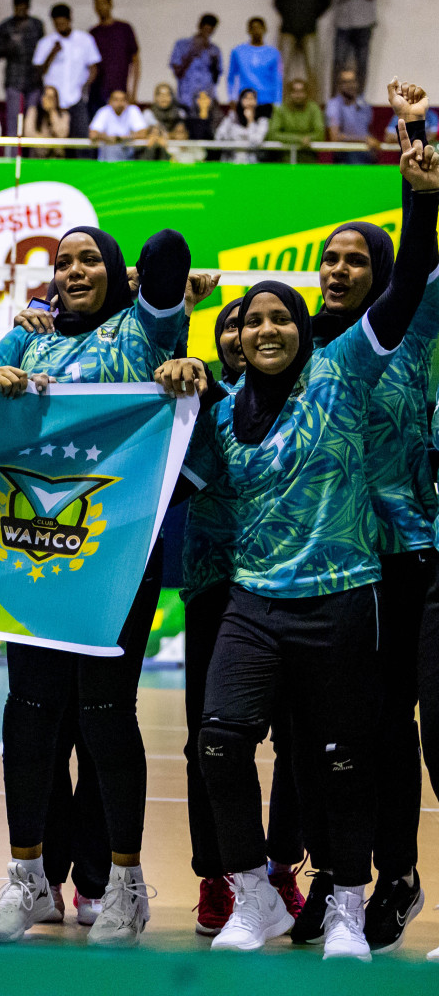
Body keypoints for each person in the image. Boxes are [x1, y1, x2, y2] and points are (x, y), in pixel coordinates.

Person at [166, 107, 439, 962]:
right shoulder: (220, 409)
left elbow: (407, 285)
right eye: (254, 321)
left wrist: (418, 194)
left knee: (353, 752)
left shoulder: (342, 372)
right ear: (239, 339)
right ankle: (258, 893)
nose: (269, 327)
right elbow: (151, 450)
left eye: (283, 315)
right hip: (254, 601)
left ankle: (358, 897)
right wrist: (174, 363)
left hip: (364, 586)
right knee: (223, 742)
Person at [0, 221, 201, 948]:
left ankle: (126, 886)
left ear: (113, 270)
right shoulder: (28, 340)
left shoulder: (142, 330)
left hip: (119, 552)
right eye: (62, 262)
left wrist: (145, 290)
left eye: (88, 261)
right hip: (32, 551)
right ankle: (28, 878)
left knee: (105, 714)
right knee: (30, 713)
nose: (74, 272)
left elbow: (168, 251)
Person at [299, 84, 437, 954]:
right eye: (329, 259)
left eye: (355, 260)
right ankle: (344, 874)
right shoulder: (304, 343)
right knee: (342, 733)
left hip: (410, 557)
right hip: (331, 566)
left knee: (402, 726)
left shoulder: (415, 321)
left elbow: (419, 260)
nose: (337, 270)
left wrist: (416, 154)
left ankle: (401, 874)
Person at [169, 300, 307, 937]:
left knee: (297, 742)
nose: (241, 334)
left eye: (248, 324)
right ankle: (219, 876)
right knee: (211, 742)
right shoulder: (201, 407)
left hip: (289, 589)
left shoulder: (300, 403)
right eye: (231, 324)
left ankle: (281, 870)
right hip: (212, 589)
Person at [33, 5, 102, 152]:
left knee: (81, 143)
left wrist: (85, 86)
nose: (60, 27)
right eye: (57, 24)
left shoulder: (85, 40)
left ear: (70, 20)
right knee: (53, 145)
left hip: (76, 99)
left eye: (63, 23)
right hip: (52, 103)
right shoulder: (46, 43)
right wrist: (53, 53)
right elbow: (38, 72)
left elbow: (94, 68)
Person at [275, 0, 332, 99]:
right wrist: (289, 14)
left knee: (313, 71)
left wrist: (312, 15)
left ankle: (313, 108)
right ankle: (281, 107)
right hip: (288, 29)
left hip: (309, 29)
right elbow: (278, 1)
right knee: (281, 71)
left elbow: (326, 1)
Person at [0, 0, 45, 130]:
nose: (21, 9)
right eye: (18, 6)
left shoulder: (37, 25)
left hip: (34, 82)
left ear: (28, 6)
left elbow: (43, 50)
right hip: (14, 81)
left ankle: (30, 152)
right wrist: (10, 45)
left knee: (32, 123)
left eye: (24, 6)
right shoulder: (5, 27)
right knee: (13, 124)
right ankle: (12, 152)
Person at [88, 0, 139, 117]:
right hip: (97, 93)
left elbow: (136, 61)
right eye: (97, 5)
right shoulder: (93, 33)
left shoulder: (124, 29)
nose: (101, 7)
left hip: (120, 91)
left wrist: (133, 92)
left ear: (110, 5)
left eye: (103, 3)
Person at [332, 0, 382, 93]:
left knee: (362, 64)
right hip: (343, 25)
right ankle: (335, 98)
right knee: (339, 63)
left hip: (364, 25)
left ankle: (359, 98)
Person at [229, 18, 285, 110]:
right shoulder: (238, 51)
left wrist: (278, 103)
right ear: (249, 30)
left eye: (259, 28)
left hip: (267, 101)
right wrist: (232, 97)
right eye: (253, 28)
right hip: (245, 100)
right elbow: (231, 77)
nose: (256, 31)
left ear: (265, 29)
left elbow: (278, 79)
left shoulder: (273, 53)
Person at [326, 67, 380, 164]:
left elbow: (369, 131)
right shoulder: (334, 105)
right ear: (339, 85)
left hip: (367, 155)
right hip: (346, 157)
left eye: (352, 81)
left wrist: (370, 140)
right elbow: (335, 137)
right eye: (345, 82)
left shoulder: (364, 104)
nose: (350, 85)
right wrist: (364, 139)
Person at [170, 15, 223, 108]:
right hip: (186, 100)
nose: (207, 34)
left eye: (210, 31)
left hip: (206, 101)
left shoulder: (215, 49)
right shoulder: (182, 45)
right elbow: (177, 73)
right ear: (199, 27)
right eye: (205, 29)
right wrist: (192, 53)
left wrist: (214, 61)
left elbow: (216, 79)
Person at [266, 78, 325, 161]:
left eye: (301, 91)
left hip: (308, 159)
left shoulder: (314, 109)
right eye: (295, 91)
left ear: (306, 93)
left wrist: (309, 139)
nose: (298, 95)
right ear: (289, 93)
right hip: (284, 160)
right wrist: (300, 140)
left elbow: (320, 134)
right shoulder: (280, 109)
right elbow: (273, 134)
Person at [88, 89, 149, 161]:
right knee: (112, 147)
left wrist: (122, 139)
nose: (119, 103)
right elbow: (93, 134)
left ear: (127, 102)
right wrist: (107, 138)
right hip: (108, 156)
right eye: (116, 100)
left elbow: (143, 133)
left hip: (129, 155)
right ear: (110, 102)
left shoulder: (133, 110)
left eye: (122, 100)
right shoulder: (104, 111)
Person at [216, 88, 272, 163]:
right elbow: (219, 136)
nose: (249, 102)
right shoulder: (232, 117)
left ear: (256, 102)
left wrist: (251, 121)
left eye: (252, 99)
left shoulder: (261, 121)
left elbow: (256, 141)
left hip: (251, 163)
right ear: (240, 100)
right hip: (231, 161)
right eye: (246, 98)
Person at [141, 83, 189, 160]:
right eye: (160, 95)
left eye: (167, 95)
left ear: (172, 97)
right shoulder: (148, 114)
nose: (164, 98)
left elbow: (181, 134)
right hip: (152, 150)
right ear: (155, 97)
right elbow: (144, 134)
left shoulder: (180, 113)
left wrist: (164, 137)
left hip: (175, 151)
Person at [181, 91, 227, 163]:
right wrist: (203, 116)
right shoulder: (190, 119)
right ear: (196, 101)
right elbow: (196, 136)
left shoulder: (219, 117)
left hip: (214, 157)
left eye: (205, 98)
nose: (203, 102)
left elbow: (216, 137)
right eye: (200, 99)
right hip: (195, 156)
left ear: (210, 100)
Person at [26, 85, 71, 158]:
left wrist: (52, 112)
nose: (49, 100)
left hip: (56, 156)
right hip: (37, 155)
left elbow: (62, 134)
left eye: (52, 98)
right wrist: (44, 141)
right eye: (47, 96)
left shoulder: (64, 114)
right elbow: (28, 133)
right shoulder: (34, 111)